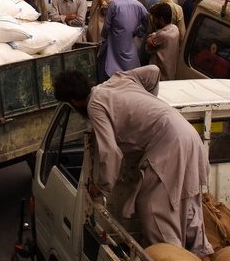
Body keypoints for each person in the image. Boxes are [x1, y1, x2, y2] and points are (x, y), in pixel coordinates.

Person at [53, 67, 213, 259]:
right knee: (185, 199)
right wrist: (150, 102)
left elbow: (110, 151)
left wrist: (102, 188)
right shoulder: (118, 79)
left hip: (170, 142)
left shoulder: (95, 105)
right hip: (187, 133)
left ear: (73, 102)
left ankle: (171, 255)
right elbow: (154, 71)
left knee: (153, 207)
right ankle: (201, 253)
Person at [98, 0, 148, 79]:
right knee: (131, 73)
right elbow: (147, 21)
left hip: (115, 45)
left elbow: (107, 26)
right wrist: (139, 32)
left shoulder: (114, 4)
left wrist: (103, 38)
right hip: (131, 43)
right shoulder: (138, 4)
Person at [147, 4, 179, 81]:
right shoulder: (175, 28)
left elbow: (149, 41)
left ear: (161, 19)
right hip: (170, 73)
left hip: (160, 76)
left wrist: (149, 37)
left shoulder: (163, 35)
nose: (153, 21)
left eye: (154, 18)